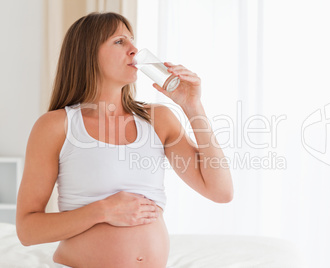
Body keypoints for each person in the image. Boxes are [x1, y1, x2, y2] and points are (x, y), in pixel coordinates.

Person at [15, 12, 233, 268]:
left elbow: (221, 191)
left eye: (132, 40)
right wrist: (103, 210)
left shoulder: (158, 119)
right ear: (87, 54)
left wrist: (193, 106)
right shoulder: (56, 126)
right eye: (119, 42)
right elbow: (28, 230)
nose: (134, 50)